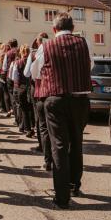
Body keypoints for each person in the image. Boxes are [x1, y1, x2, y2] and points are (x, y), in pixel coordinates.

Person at [32, 13, 91, 209]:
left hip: (56, 99)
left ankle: (62, 197)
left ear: (54, 29)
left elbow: (33, 72)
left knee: (59, 146)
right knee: (77, 141)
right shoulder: (84, 43)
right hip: (80, 99)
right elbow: (90, 65)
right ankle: (74, 183)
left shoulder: (45, 46)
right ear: (73, 28)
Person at [25, 33, 52, 170]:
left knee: (43, 126)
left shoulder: (35, 54)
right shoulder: (56, 49)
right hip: (55, 93)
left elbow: (29, 73)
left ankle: (47, 158)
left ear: (38, 42)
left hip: (40, 91)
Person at [12, 45, 34, 137]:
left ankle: (27, 128)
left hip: (21, 88)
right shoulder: (33, 61)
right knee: (32, 109)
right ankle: (33, 126)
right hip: (31, 87)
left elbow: (14, 77)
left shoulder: (17, 63)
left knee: (24, 109)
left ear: (20, 52)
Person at [2, 39, 19, 117]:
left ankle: (16, 115)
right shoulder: (21, 51)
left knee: (12, 95)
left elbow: (4, 67)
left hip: (10, 75)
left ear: (10, 45)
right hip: (20, 75)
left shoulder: (8, 53)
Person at [0, 43, 10, 112]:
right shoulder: (3, 54)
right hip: (2, 74)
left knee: (0, 91)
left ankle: (2, 106)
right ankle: (6, 107)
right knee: (4, 91)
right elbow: (0, 66)